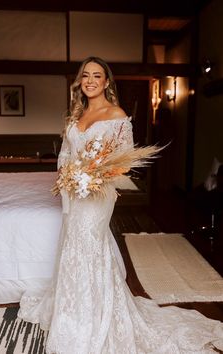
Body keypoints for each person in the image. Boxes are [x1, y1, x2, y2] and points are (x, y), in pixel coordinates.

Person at [18, 56, 223, 353]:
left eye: (96, 75)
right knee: (72, 245)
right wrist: (68, 175)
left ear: (106, 82)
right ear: (80, 81)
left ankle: (94, 317)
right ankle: (74, 311)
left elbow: (124, 162)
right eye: (85, 75)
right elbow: (65, 153)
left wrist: (94, 175)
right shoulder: (76, 115)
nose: (90, 80)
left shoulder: (116, 114)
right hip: (75, 192)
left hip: (98, 195)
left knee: (88, 244)